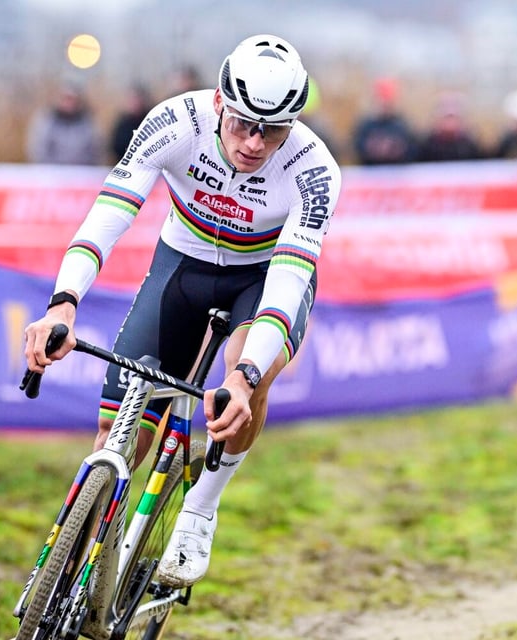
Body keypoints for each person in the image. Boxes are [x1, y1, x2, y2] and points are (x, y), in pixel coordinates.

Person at [22, 34, 341, 589]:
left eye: (273, 130)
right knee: (118, 435)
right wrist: (63, 306)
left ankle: (200, 508)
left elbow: (288, 282)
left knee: (248, 377)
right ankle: (70, 579)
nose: (255, 143)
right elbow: (107, 218)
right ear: (219, 102)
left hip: (261, 279)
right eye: (243, 124)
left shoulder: (314, 170)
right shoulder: (176, 121)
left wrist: (242, 379)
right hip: (182, 268)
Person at [26, 81, 102, 165]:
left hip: (81, 171)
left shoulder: (88, 121)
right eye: (66, 98)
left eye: (73, 99)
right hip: (52, 170)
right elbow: (38, 148)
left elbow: (96, 149)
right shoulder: (46, 119)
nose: (69, 103)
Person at [352, 77, 417, 165]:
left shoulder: (403, 126)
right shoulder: (365, 126)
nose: (384, 104)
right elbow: (356, 150)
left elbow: (413, 151)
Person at [108, 83, 153, 163]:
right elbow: (115, 147)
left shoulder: (152, 120)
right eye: (132, 99)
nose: (135, 103)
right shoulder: (122, 124)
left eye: (137, 99)